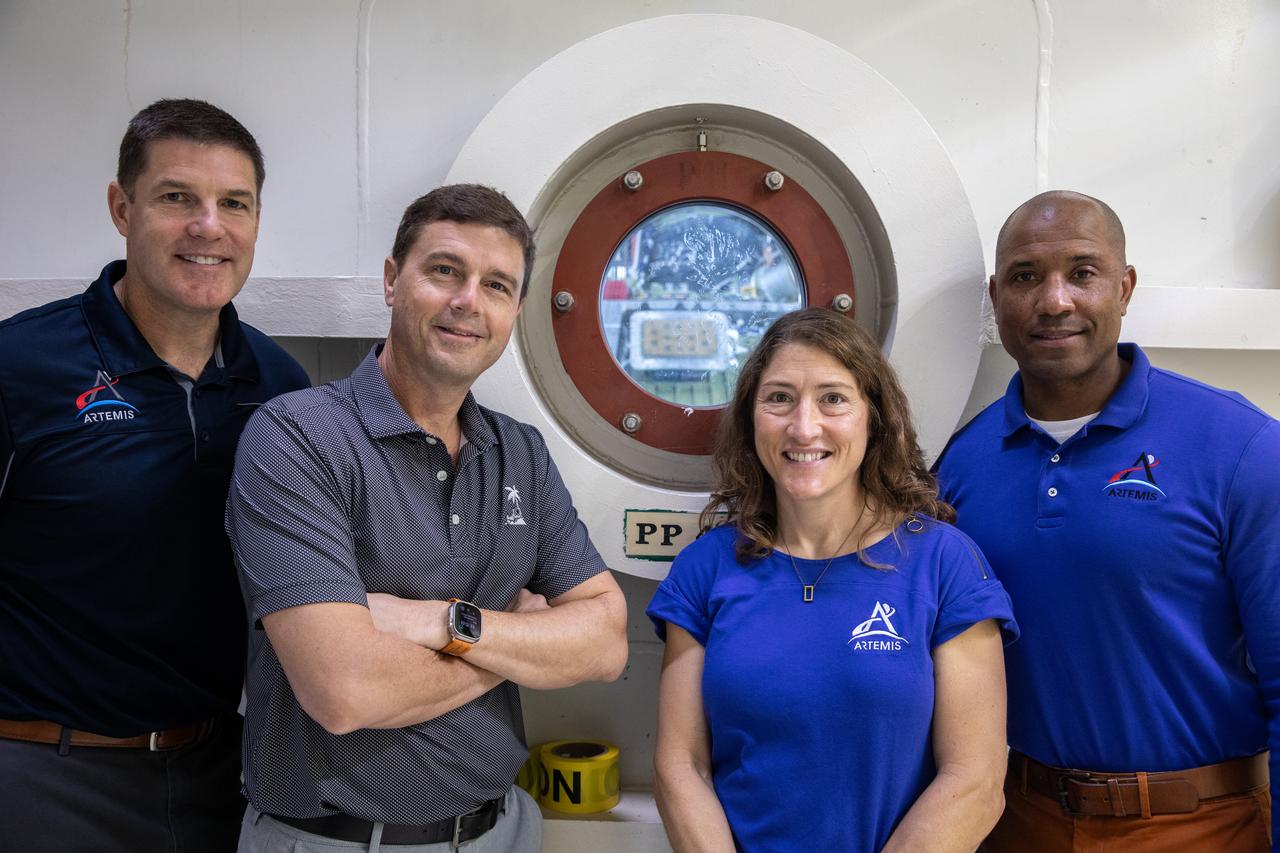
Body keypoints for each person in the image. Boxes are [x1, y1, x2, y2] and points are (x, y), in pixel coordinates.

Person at [227, 183, 629, 853]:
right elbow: (343, 690)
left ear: (515, 310)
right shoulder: (297, 439)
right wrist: (520, 645)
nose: (469, 300)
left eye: (496, 285)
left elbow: (607, 640)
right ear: (392, 280)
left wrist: (444, 623)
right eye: (445, 270)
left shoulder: (519, 452)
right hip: (335, 841)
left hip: (500, 830)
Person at [0, 99, 310, 851]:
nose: (209, 226)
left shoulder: (281, 385)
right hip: (42, 775)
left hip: (219, 778)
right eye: (177, 198)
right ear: (121, 206)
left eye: (233, 203)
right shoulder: (20, 366)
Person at [934, 190, 1280, 852]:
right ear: (996, 296)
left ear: (1124, 288)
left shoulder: (1239, 447)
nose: (1054, 300)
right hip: (1015, 823)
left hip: (1204, 827)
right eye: (1026, 276)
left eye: (1083, 272)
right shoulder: (958, 465)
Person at [647, 308, 1018, 852]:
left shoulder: (944, 565)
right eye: (778, 398)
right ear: (752, 419)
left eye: (833, 398)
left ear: (874, 416)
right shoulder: (706, 568)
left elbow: (975, 782)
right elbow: (681, 767)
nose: (803, 427)